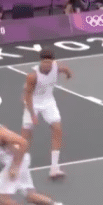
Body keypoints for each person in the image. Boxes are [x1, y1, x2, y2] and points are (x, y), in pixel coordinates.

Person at [21, 49, 72, 179]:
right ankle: (18, 162)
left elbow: (63, 69)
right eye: (45, 63)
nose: (47, 65)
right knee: (26, 134)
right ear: (40, 62)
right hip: (33, 103)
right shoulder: (32, 76)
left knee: (57, 129)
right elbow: (27, 96)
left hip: (49, 102)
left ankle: (54, 168)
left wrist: (68, 73)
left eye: (49, 63)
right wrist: (33, 114)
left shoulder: (55, 67)